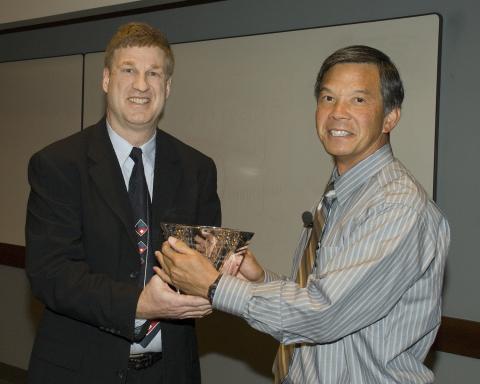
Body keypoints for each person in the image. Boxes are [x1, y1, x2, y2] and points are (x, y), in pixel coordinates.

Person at [156, 45, 450, 383]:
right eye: (328, 98)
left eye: (358, 100)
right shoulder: (341, 194)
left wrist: (214, 285)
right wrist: (261, 279)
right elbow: (323, 297)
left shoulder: (396, 205)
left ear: (390, 117)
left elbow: (324, 315)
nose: (338, 112)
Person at [25, 22, 221, 384]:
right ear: (105, 79)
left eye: (153, 73)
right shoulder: (58, 164)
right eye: (128, 70)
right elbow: (50, 273)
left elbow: (202, 265)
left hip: (171, 373)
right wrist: (139, 304)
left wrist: (219, 277)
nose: (142, 85)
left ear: (168, 86)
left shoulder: (197, 169)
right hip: (81, 369)